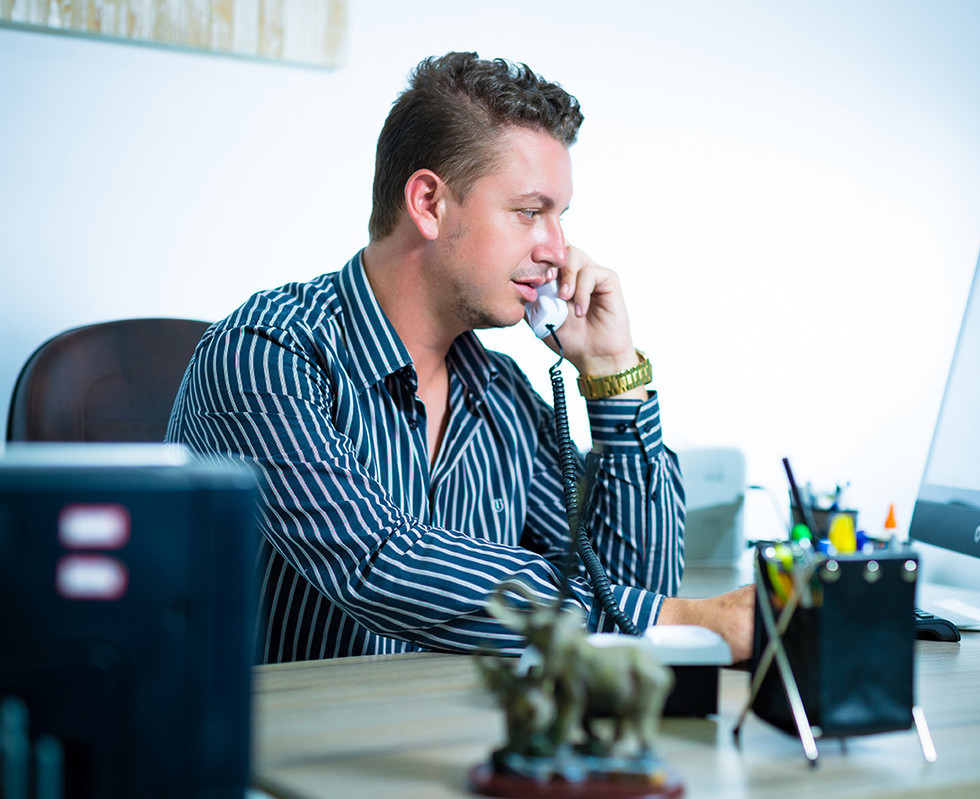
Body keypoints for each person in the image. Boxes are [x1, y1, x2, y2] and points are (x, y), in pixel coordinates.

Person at [166, 51, 751, 665]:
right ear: (428, 203)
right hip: (272, 749)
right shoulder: (268, 355)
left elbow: (631, 590)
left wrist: (612, 375)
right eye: (530, 212)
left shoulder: (501, 394)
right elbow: (377, 564)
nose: (559, 249)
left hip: (449, 744)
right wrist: (689, 621)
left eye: (561, 217)